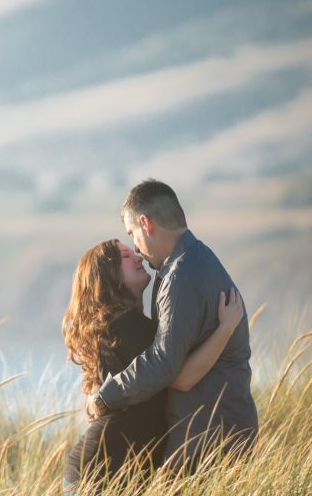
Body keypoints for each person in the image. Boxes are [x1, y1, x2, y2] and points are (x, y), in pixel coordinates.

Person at [88, 179, 259, 472]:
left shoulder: (181, 276)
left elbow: (166, 363)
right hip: (219, 427)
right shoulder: (196, 262)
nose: (137, 249)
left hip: (207, 435)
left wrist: (106, 396)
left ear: (146, 223)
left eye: (132, 234)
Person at [62, 238, 243, 496]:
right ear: (109, 275)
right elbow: (183, 379)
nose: (137, 256)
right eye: (125, 255)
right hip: (102, 473)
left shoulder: (116, 329)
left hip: (110, 472)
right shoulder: (129, 328)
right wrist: (226, 329)